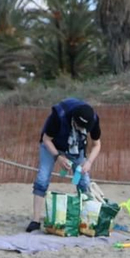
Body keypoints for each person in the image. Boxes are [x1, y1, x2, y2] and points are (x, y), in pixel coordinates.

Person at [28, 97, 101, 232]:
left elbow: (97, 144)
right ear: (74, 120)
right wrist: (58, 157)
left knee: (83, 180)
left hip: (76, 147)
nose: (84, 129)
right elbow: (46, 139)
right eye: (81, 126)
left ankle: (86, 220)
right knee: (42, 178)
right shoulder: (59, 116)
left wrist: (89, 162)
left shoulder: (93, 119)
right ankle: (35, 220)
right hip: (52, 145)